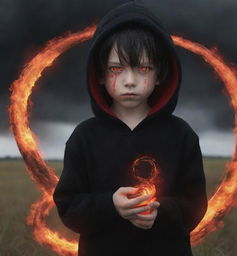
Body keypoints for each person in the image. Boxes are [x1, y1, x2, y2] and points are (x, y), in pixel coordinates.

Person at [53, 1, 208, 256]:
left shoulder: (182, 135)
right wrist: (110, 206)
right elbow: (69, 207)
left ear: (160, 74)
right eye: (116, 68)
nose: (129, 81)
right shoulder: (84, 137)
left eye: (143, 68)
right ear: (100, 74)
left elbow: (194, 205)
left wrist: (161, 212)